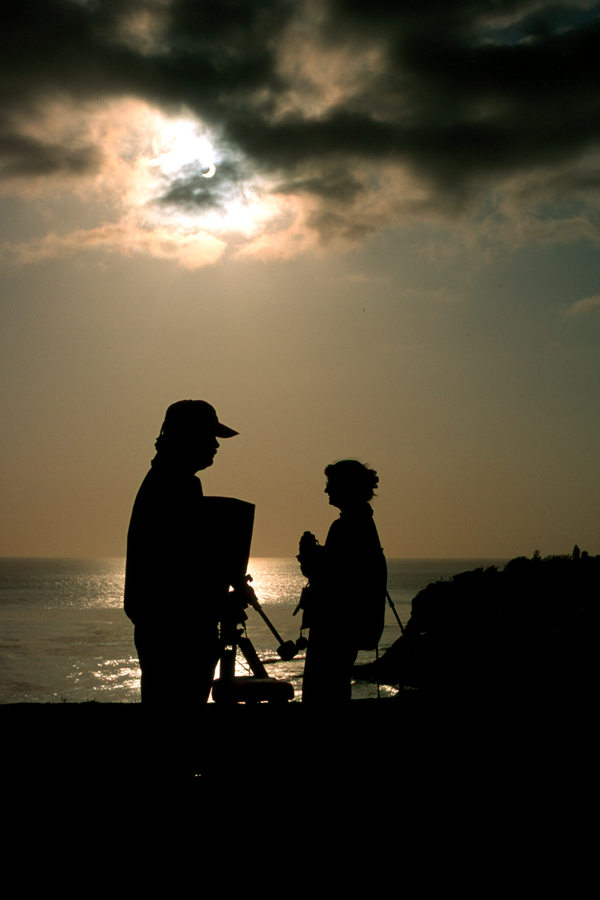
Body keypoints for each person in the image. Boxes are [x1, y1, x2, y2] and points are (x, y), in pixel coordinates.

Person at [124, 399, 238, 707]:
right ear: (188, 436)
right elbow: (179, 568)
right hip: (176, 632)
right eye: (209, 436)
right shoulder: (175, 486)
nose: (215, 444)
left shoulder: (169, 481)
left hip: (167, 626)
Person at [297, 459, 387, 704]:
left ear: (345, 486)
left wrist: (308, 557)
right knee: (336, 687)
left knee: (322, 691)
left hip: (334, 627)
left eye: (331, 484)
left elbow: (332, 578)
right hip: (348, 627)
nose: (327, 490)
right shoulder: (363, 523)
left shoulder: (345, 526)